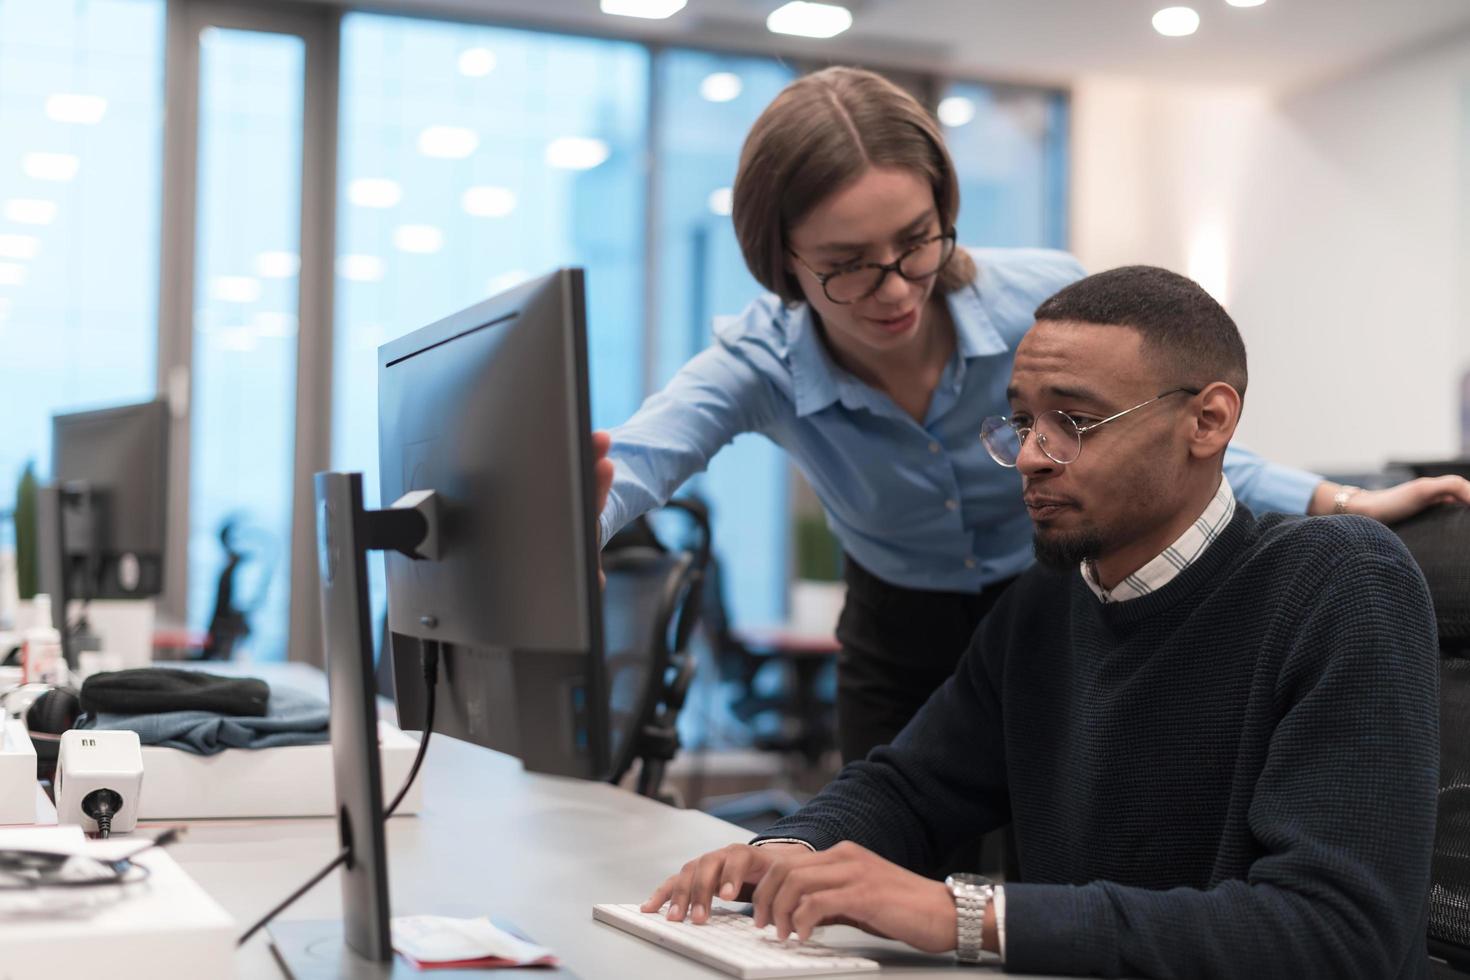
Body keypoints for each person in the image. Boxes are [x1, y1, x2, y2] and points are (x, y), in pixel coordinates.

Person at [596, 66, 1470, 765]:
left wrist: (1347, 502)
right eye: (847, 265)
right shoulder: (760, 362)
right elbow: (635, 462)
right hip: (897, 629)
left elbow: (1158, 436)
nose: (897, 288)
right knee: (881, 856)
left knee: (1052, 853)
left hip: (1058, 602)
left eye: (916, 240)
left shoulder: (1038, 306)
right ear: (781, 259)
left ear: (944, 207)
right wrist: (575, 533)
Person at [635, 266, 1443, 979]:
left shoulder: (1341, 581)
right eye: (1023, 421)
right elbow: (911, 789)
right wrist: (783, 855)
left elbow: (1337, 936)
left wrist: (964, 916)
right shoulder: (1046, 603)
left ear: (1208, 422)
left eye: (1074, 423)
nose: (1029, 455)